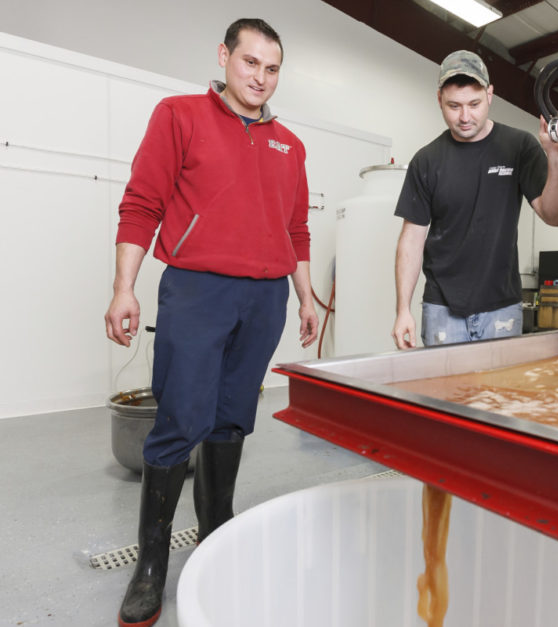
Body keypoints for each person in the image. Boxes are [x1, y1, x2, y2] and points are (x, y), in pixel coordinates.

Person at [104, 18, 317, 627]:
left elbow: (296, 230)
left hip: (266, 299)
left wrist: (304, 297)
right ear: (224, 57)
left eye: (272, 69)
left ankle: (215, 534)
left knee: (231, 420)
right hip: (197, 290)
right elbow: (141, 201)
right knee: (180, 420)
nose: (260, 78)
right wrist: (124, 288)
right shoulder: (178, 116)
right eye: (250, 63)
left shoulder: (291, 145)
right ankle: (150, 566)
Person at [392, 50, 558, 349]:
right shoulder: (426, 161)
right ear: (439, 100)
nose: (464, 117)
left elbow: (555, 216)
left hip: (502, 307)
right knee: (442, 394)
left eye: (474, 104)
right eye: (454, 106)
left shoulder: (518, 146)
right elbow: (411, 240)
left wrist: (555, 155)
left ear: (490, 95)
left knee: (497, 396)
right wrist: (402, 311)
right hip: (442, 308)